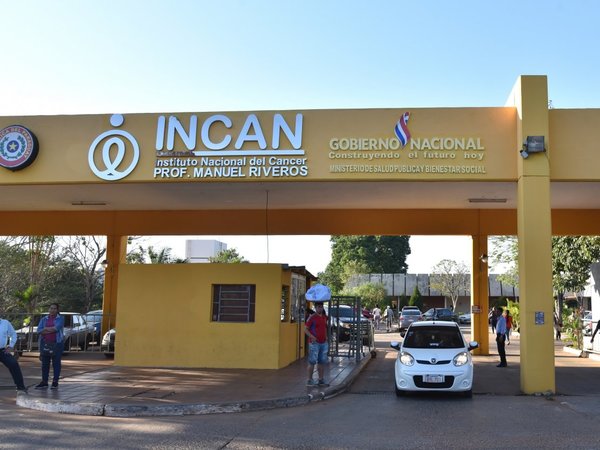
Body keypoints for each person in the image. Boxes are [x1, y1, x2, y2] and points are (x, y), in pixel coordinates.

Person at [35, 303, 65, 390]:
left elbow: (56, 328)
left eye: (54, 308)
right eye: (51, 308)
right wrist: (48, 330)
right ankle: (44, 382)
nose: (52, 310)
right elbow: (39, 330)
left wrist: (45, 329)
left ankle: (55, 382)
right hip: (45, 343)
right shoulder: (44, 319)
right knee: (45, 364)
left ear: (57, 310)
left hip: (57, 344)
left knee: (56, 363)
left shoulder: (60, 319)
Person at [0, 312, 28, 393]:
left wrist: (11, 346)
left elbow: (13, 334)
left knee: (14, 364)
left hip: (2, 350)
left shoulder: (5, 323)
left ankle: (21, 387)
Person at [305, 302, 329, 387]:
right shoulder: (312, 317)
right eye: (319, 307)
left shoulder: (324, 317)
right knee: (312, 362)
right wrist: (312, 337)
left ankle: (321, 379)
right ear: (315, 308)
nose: (320, 308)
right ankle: (309, 380)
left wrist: (326, 336)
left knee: (321, 361)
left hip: (323, 342)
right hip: (314, 343)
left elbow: (325, 328)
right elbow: (305, 329)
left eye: (321, 307)